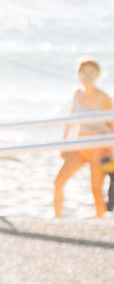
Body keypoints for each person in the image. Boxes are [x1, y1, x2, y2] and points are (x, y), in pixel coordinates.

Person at [53, 57, 111, 218]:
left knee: (96, 189)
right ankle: (57, 219)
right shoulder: (77, 95)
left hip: (98, 149)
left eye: (91, 72)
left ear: (98, 75)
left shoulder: (104, 98)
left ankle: (100, 222)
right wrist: (64, 145)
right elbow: (71, 121)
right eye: (84, 72)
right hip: (80, 147)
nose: (87, 76)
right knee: (59, 182)